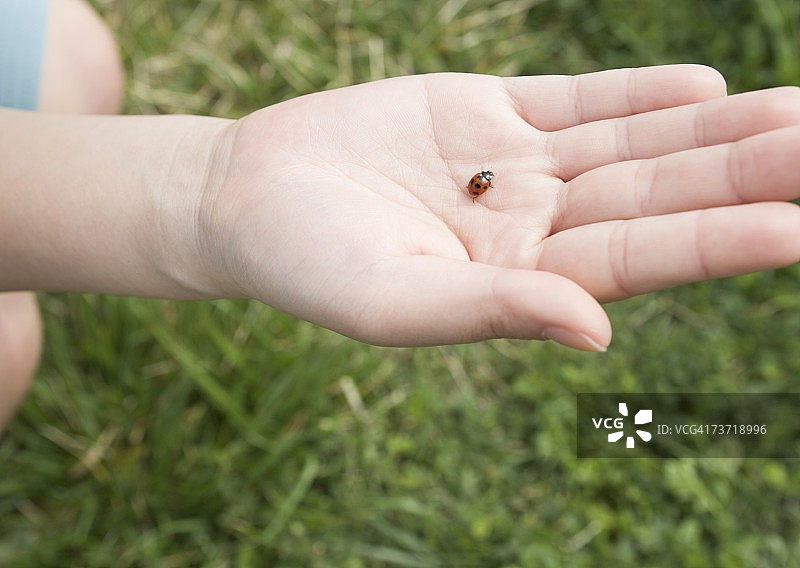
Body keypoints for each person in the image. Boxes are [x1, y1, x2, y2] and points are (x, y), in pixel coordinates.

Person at [3, 0, 800, 432]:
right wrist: (216, 196)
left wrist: (208, 182)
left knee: (71, 54)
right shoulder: (481, 179)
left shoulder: (481, 177)